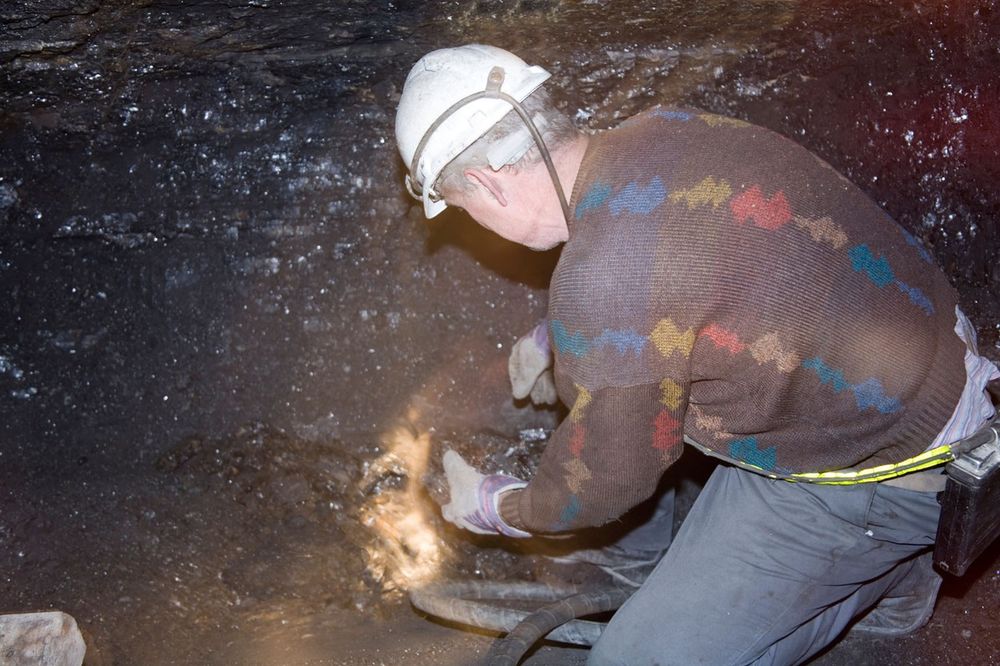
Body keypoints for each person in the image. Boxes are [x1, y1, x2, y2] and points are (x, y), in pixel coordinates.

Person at [394, 44, 1000, 665]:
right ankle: (888, 587)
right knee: (655, 407)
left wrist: (502, 506)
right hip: (938, 365)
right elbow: (715, 268)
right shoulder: (663, 127)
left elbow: (605, 482)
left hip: (887, 470)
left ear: (485, 184)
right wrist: (559, 339)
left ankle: (876, 574)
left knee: (627, 661)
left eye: (463, 209)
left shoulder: (603, 283)